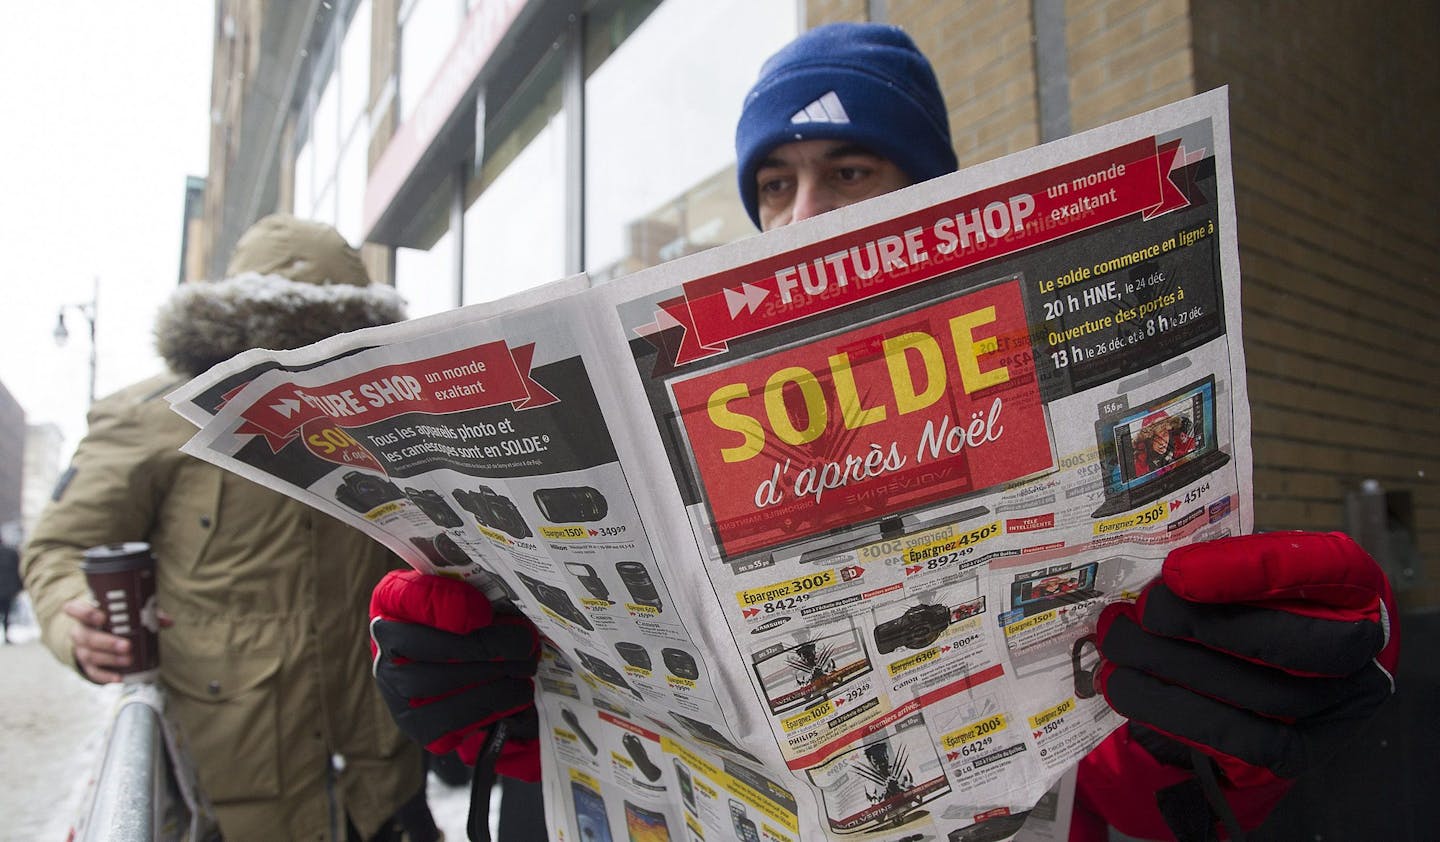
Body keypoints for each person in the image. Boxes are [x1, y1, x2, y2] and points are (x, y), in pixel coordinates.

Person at [367, 22, 1399, 842]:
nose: (803, 216)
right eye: (775, 185)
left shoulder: (1034, 401)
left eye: (851, 171)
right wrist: (495, 697)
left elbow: (1139, 781)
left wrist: (1242, 716)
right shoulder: (689, 436)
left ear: (930, 193)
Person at [22, 215, 441, 842]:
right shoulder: (151, 417)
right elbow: (59, 545)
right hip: (231, 784)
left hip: (382, 782)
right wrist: (68, 615)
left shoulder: (397, 407)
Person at [1133, 411, 1197, 476]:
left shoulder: (1177, 441)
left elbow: (1195, 447)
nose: (1162, 442)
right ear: (1148, 440)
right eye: (1155, 437)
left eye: (1164, 434)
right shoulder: (1140, 460)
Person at [0, 522, 22, 644]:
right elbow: (19, 570)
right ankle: (6, 635)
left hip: (7, 588)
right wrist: (20, 586)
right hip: (8, 589)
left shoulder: (11, 552)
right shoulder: (11, 552)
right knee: (7, 613)